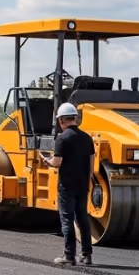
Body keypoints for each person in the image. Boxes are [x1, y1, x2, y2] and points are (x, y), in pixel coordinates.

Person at [42, 102, 95, 266]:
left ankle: (69, 255)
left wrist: (48, 161)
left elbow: (57, 162)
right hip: (82, 185)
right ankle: (87, 255)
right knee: (83, 219)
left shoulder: (62, 139)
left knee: (67, 220)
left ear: (61, 121)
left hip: (67, 186)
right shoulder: (87, 138)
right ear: (75, 118)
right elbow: (91, 165)